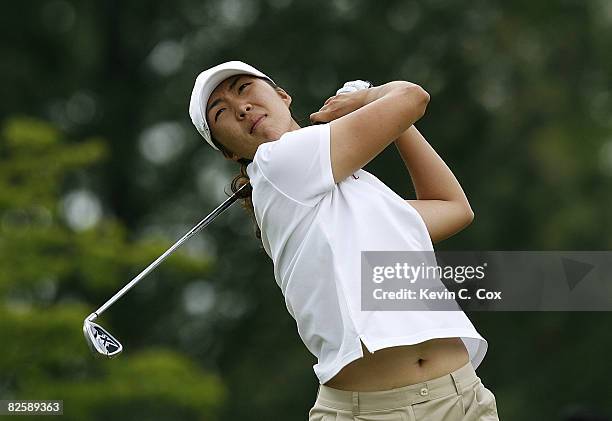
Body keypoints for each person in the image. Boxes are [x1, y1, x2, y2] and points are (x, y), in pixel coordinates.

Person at [189, 60, 499, 420]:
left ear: (282, 95)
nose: (241, 108)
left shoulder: (360, 192)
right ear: (229, 152)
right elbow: (413, 96)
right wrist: (370, 97)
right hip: (373, 413)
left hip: (462, 396)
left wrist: (381, 114)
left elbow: (453, 208)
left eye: (244, 88)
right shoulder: (277, 165)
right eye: (220, 112)